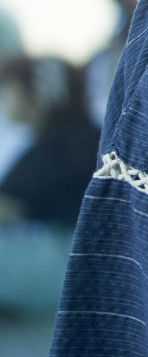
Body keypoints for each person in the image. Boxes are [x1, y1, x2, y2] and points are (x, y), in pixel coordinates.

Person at [0, 57, 97, 315]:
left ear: (35, 94)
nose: (3, 96)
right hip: (93, 264)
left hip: (67, 266)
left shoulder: (52, 150)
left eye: (9, 88)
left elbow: (4, 209)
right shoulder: (91, 136)